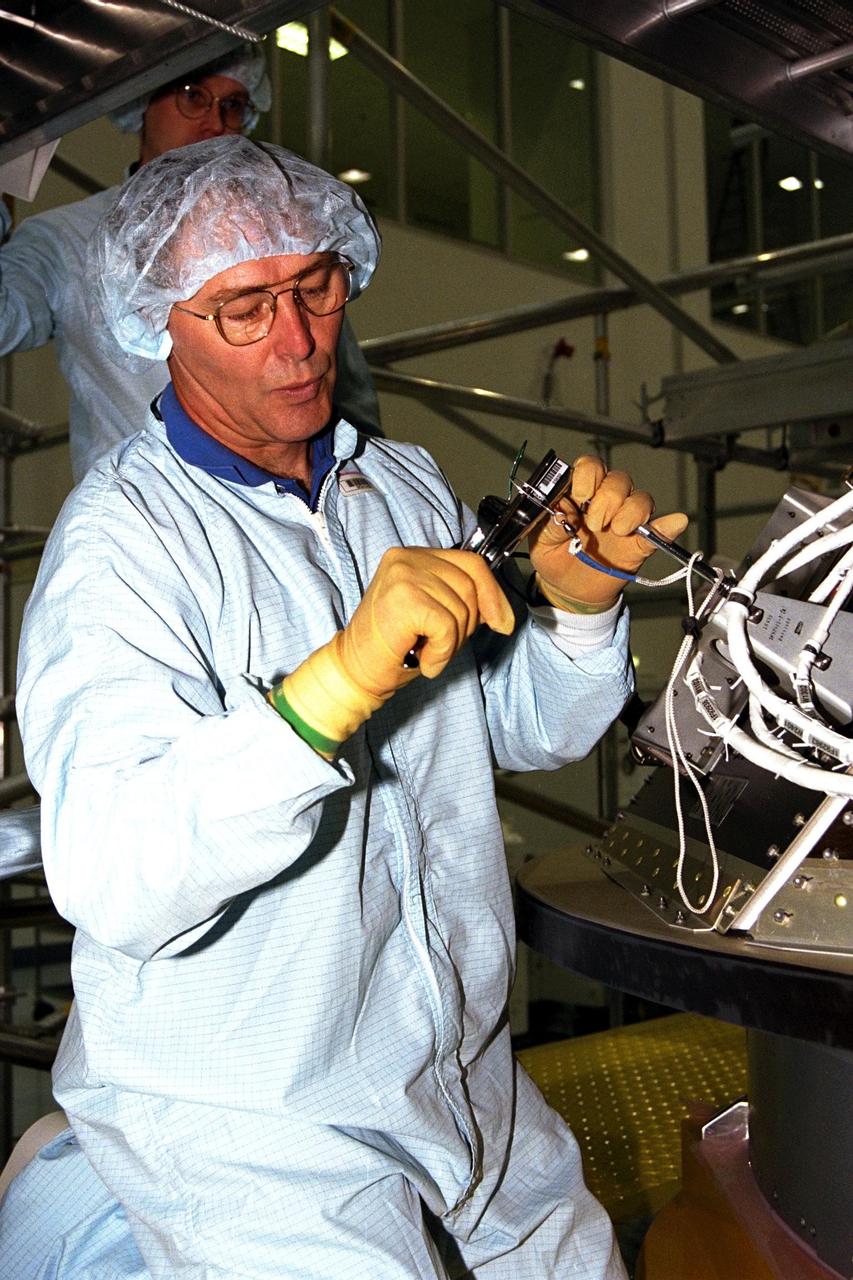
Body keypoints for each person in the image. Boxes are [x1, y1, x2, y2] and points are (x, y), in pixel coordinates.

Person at [14, 135, 687, 1279]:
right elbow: (112, 870)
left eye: (314, 287)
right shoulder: (123, 550)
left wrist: (576, 609)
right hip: (250, 1115)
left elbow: (514, 730)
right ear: (155, 322)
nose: (297, 341)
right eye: (242, 308)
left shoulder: (400, 482)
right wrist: (331, 684)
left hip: (462, 1080)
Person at [0, 41, 380, 482]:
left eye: (234, 105)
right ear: (141, 101)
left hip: (292, 502)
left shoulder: (282, 227)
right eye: (193, 95)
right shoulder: (66, 238)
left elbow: (346, 396)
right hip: (149, 518)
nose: (215, 123)